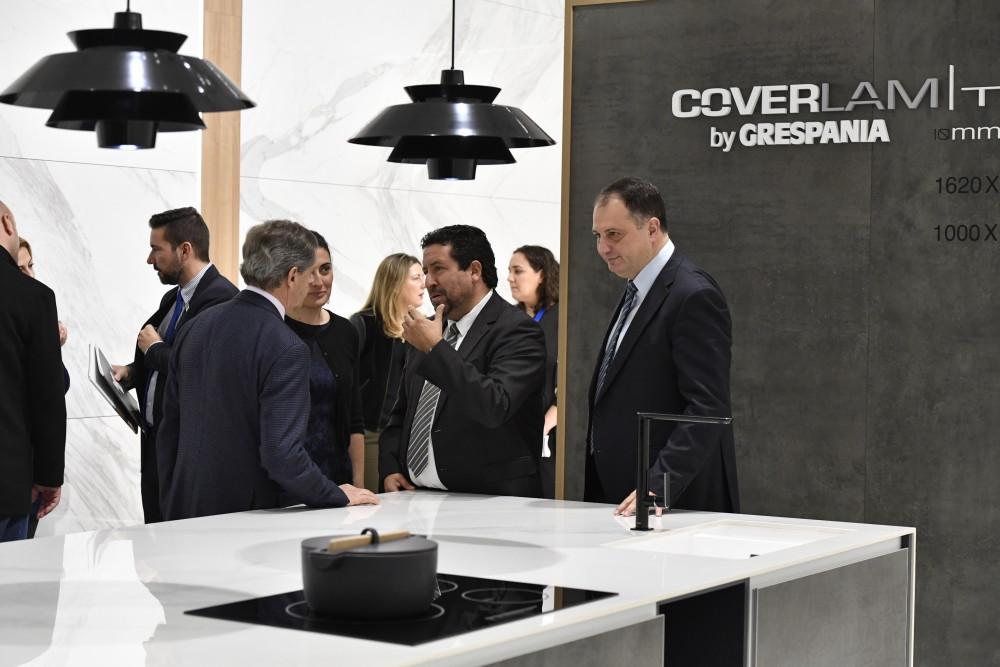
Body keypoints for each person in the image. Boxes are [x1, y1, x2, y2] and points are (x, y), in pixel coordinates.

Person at [156, 219, 378, 520]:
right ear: (292, 276)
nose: (313, 283)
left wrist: (172, 503)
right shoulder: (286, 345)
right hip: (251, 518)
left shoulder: (195, 326)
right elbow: (282, 455)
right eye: (309, 274)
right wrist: (336, 494)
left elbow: (169, 431)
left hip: (188, 508)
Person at [587, 176, 739, 514]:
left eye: (614, 235)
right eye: (598, 236)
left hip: (674, 503)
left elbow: (708, 407)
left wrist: (659, 484)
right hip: (626, 497)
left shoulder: (693, 294)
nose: (603, 248)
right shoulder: (637, 287)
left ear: (652, 228)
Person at [380, 225, 547, 497]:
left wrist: (435, 348)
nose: (429, 281)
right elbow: (401, 412)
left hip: (490, 501)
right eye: (425, 271)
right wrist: (389, 467)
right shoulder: (427, 328)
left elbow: (495, 405)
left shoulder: (517, 330)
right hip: (416, 496)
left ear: (474, 271)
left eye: (438, 269)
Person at [111, 207, 238, 524]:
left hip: (187, 456)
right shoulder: (173, 299)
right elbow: (166, 360)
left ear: (185, 250)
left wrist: (154, 349)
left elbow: (201, 370)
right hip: (156, 448)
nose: (149, 259)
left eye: (156, 249)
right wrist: (132, 372)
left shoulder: (223, 300)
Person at [0, 200, 66, 542]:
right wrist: (50, 476)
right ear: (7, 223)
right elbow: (47, 399)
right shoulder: (32, 297)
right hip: (7, 488)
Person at [285, 231, 365, 488]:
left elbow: (354, 417)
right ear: (290, 276)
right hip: (285, 482)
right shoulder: (272, 329)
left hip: (338, 479)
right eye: (308, 272)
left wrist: (359, 483)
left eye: (325, 269)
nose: (319, 281)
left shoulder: (345, 331)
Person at [350, 253, 424, 490]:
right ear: (395, 282)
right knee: (373, 502)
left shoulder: (422, 328)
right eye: (416, 277)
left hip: (409, 439)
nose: (424, 284)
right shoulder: (363, 324)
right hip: (370, 435)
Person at [17, 236, 71, 538]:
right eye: (19, 268)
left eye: (31, 265)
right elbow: (50, 389)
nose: (29, 275)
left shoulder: (32, 311)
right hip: (20, 472)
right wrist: (49, 349)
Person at [507, 245, 560, 498]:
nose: (510, 278)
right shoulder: (509, 318)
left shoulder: (563, 317)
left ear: (542, 274)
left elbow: (574, 379)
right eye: (509, 271)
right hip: (510, 433)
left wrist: (546, 423)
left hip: (549, 436)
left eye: (518, 271)